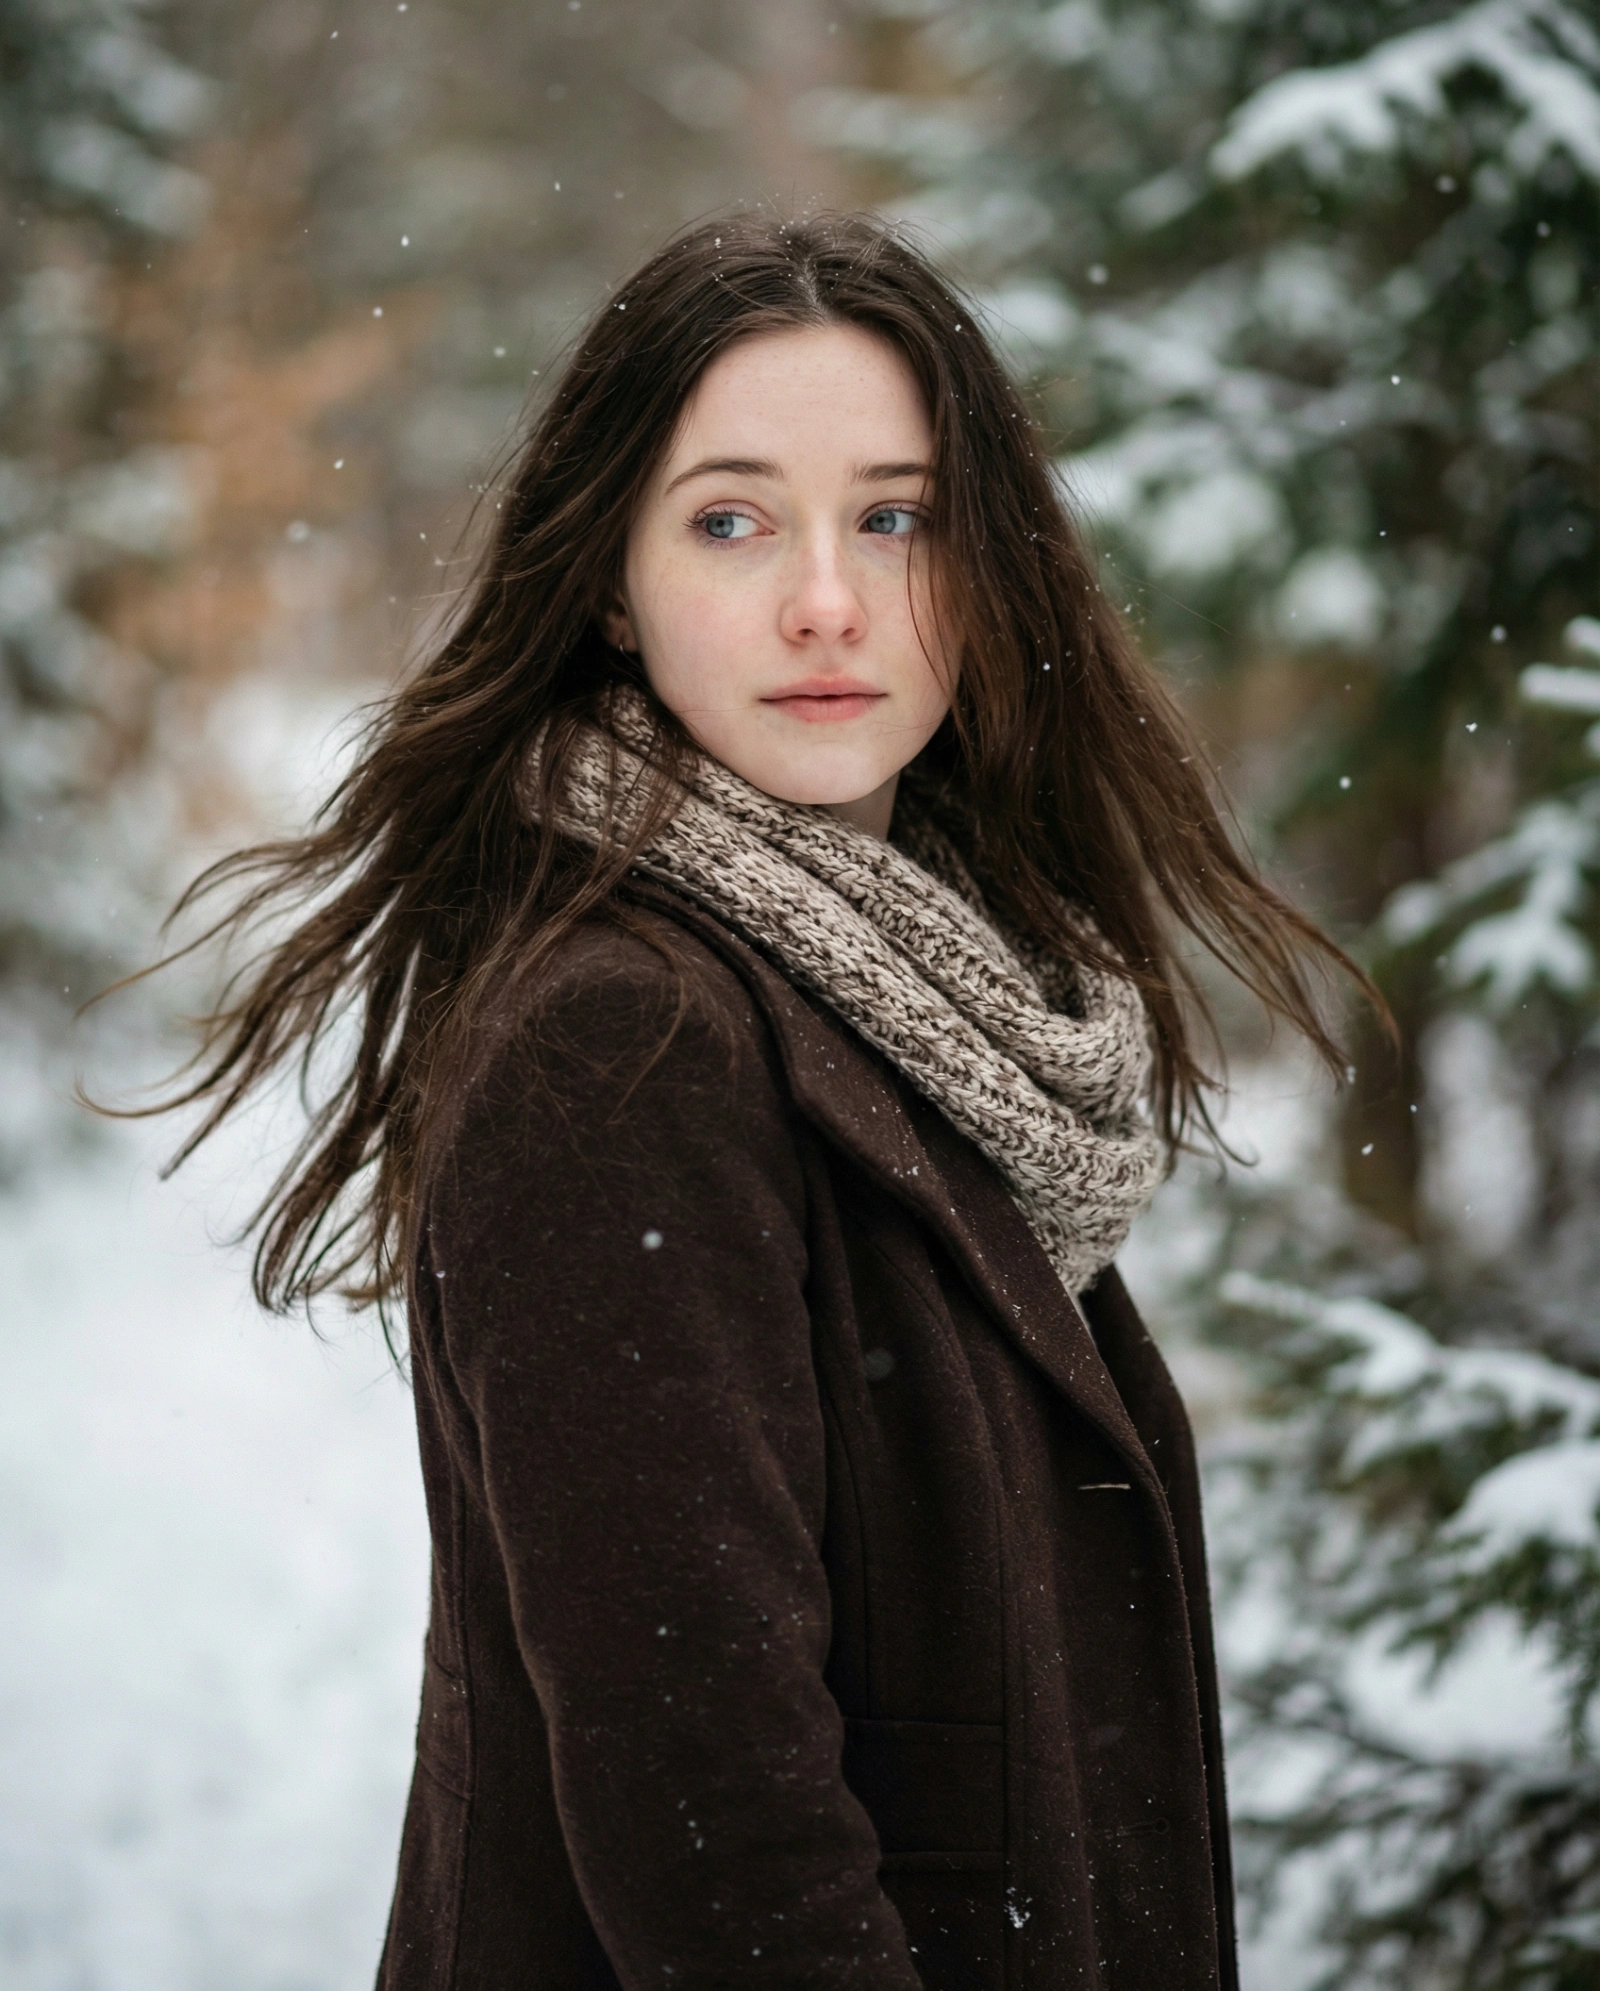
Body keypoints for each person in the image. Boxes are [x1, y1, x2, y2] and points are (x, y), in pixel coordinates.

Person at [156, 212, 1370, 1990]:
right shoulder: (619, 1046)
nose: (830, 600)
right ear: (609, 584)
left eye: (898, 517)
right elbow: (713, 1811)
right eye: (731, 521)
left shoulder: (950, 994)